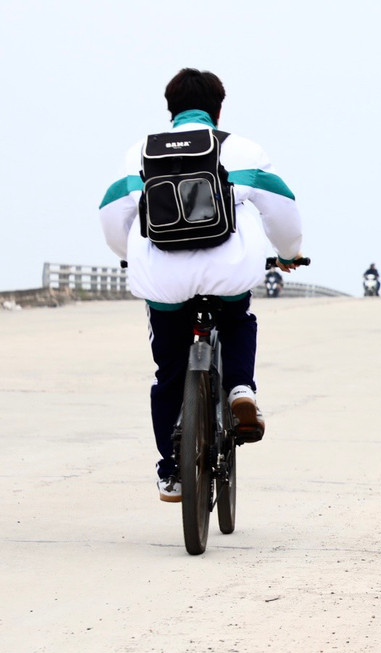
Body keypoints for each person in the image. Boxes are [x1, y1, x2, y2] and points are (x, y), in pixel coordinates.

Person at [99, 68, 304, 503]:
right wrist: (289, 252)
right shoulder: (243, 149)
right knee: (238, 318)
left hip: (163, 279)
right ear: (218, 109)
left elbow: (112, 214)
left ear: (170, 109)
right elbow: (282, 208)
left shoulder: (139, 153)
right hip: (227, 271)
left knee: (169, 373)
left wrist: (126, 253)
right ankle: (241, 388)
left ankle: (172, 472)